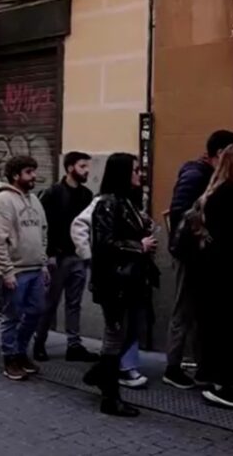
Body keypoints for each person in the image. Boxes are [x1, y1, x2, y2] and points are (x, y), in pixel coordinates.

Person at [164, 129, 233, 389]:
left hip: (196, 253)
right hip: (188, 254)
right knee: (183, 309)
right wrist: (198, 237)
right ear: (220, 154)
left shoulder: (205, 174)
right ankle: (173, 367)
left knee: (196, 310)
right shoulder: (196, 174)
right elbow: (179, 213)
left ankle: (199, 364)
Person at [85, 152, 157, 416]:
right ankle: (110, 396)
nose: (139, 174)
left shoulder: (127, 201)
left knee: (134, 328)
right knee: (116, 334)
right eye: (135, 170)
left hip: (133, 279)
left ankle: (100, 372)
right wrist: (140, 245)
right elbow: (103, 243)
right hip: (114, 280)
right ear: (122, 172)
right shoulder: (107, 203)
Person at [196, 143, 233, 409]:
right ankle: (225, 384)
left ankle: (214, 377)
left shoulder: (217, 192)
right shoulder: (231, 194)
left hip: (214, 272)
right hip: (228, 273)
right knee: (229, 328)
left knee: (216, 325)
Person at [0, 155, 49, 381]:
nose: (34, 177)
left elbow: (42, 232)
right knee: (11, 316)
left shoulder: (34, 200)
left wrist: (43, 264)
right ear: (15, 175)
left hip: (34, 269)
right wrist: (7, 270)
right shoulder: (3, 201)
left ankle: (21, 352)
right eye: (29, 172)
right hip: (14, 271)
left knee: (36, 312)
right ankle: (10, 358)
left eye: (34, 171)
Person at [34, 151, 98, 363]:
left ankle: (74, 345)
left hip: (78, 256)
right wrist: (49, 255)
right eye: (82, 166)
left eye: (87, 167)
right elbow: (45, 227)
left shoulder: (87, 195)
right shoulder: (53, 193)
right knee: (50, 303)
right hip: (58, 257)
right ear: (70, 167)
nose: (87, 170)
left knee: (74, 303)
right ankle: (39, 342)